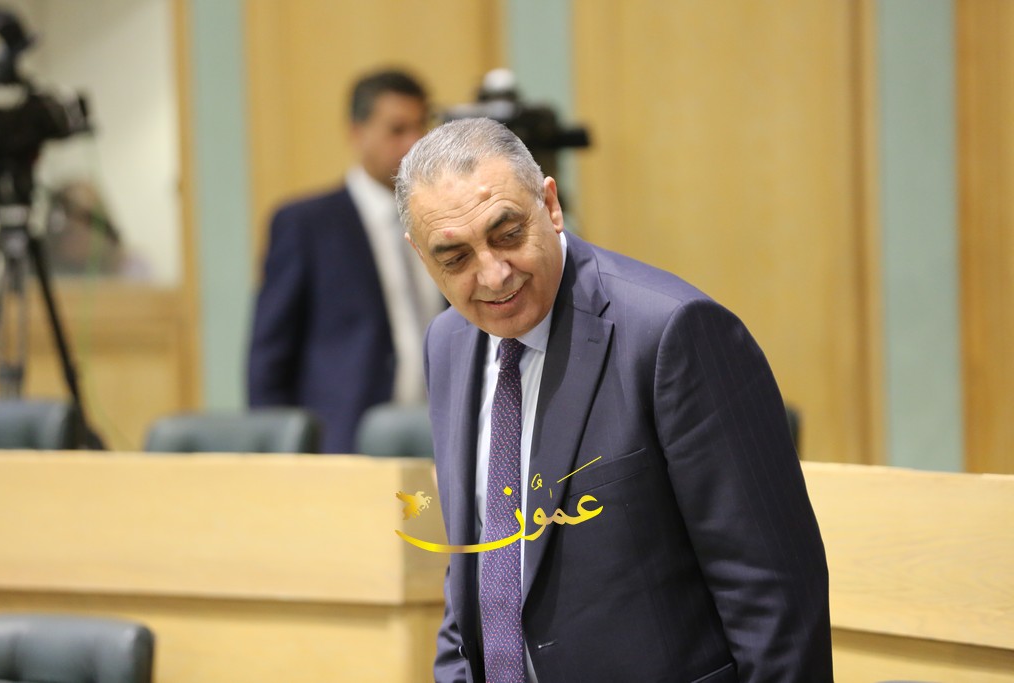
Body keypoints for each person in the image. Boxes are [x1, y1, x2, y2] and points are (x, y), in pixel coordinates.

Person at [395, 118, 833, 682]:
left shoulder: (673, 333)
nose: (494, 274)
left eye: (507, 234)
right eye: (455, 258)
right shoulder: (448, 343)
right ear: (422, 256)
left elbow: (774, 595)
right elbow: (474, 573)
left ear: (550, 205)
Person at [248, 69, 442, 453]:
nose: (414, 142)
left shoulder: (445, 220)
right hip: (343, 444)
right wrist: (278, 452)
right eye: (397, 129)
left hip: (439, 437)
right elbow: (270, 355)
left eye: (421, 127)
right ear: (357, 132)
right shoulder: (306, 224)